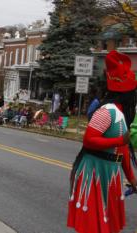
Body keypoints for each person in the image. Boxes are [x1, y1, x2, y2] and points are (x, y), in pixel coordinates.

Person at [67, 50, 137, 233]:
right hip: (95, 173)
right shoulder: (107, 111)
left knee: (107, 226)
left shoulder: (121, 115)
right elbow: (89, 140)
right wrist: (118, 139)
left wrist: (132, 178)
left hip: (110, 173)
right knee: (94, 227)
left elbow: (123, 151)